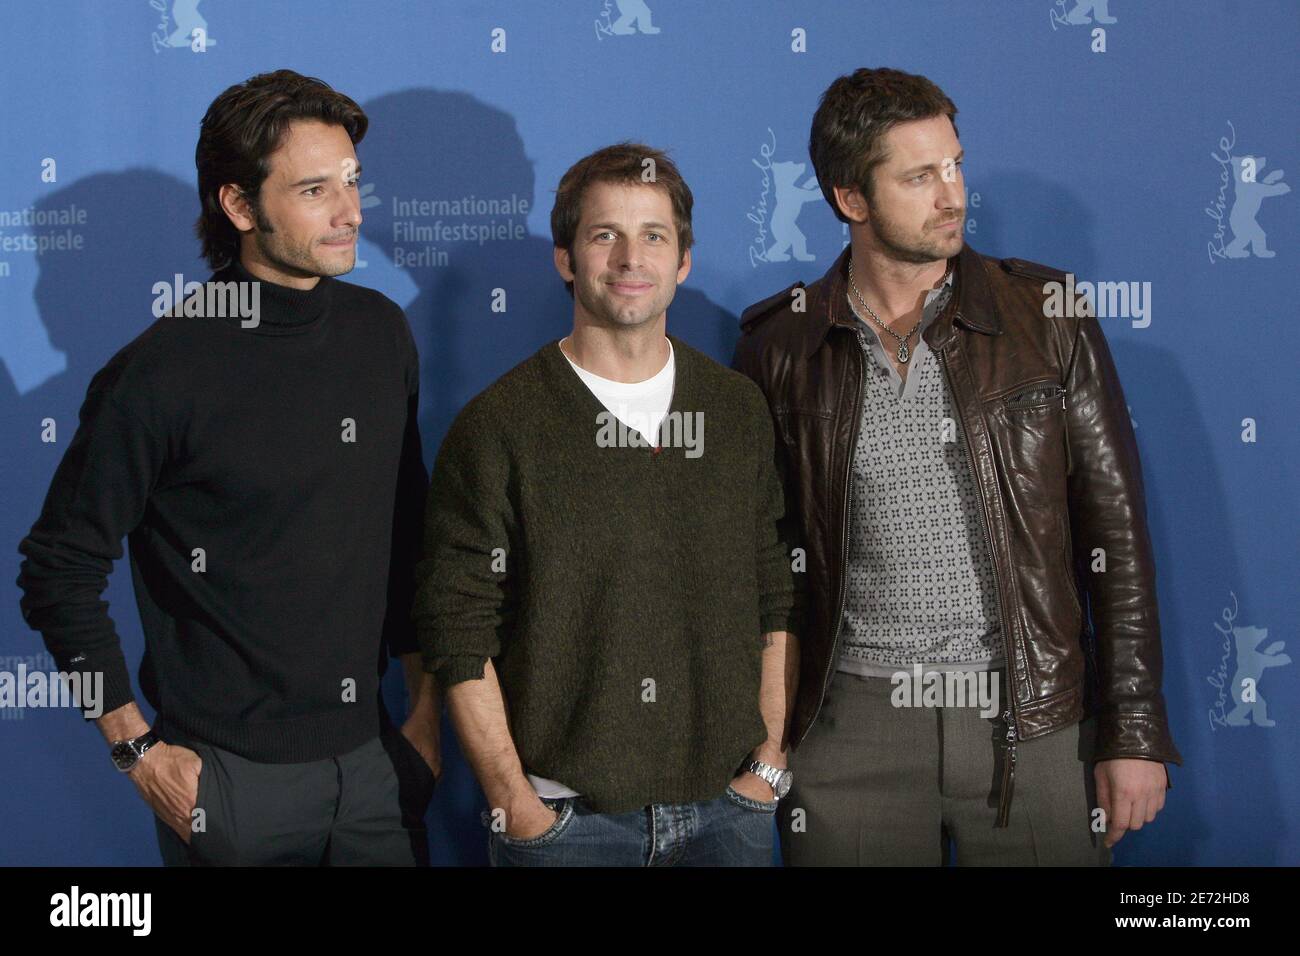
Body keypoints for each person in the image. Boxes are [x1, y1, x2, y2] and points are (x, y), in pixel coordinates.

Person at [733, 67, 1182, 866]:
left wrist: (1134, 730)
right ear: (851, 199)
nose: (953, 195)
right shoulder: (781, 347)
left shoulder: (1049, 318)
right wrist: (768, 739)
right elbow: (761, 567)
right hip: (849, 729)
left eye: (955, 165)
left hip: (1032, 717)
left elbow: (1114, 537)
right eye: (919, 176)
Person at [16, 69, 439, 866]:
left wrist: (420, 713)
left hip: (377, 769)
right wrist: (137, 751)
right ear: (240, 207)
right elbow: (58, 568)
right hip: (229, 787)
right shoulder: (160, 372)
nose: (351, 212)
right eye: (315, 189)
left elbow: (406, 530)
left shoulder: (381, 335)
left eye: (352, 182)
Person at [414, 143, 801, 866]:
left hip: (730, 815)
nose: (631, 258)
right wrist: (515, 803)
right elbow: (457, 629)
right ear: (566, 258)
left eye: (653, 235)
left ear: (683, 260)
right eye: (604, 235)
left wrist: (769, 762)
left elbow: (773, 593)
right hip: (565, 828)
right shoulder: (499, 425)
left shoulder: (735, 408)